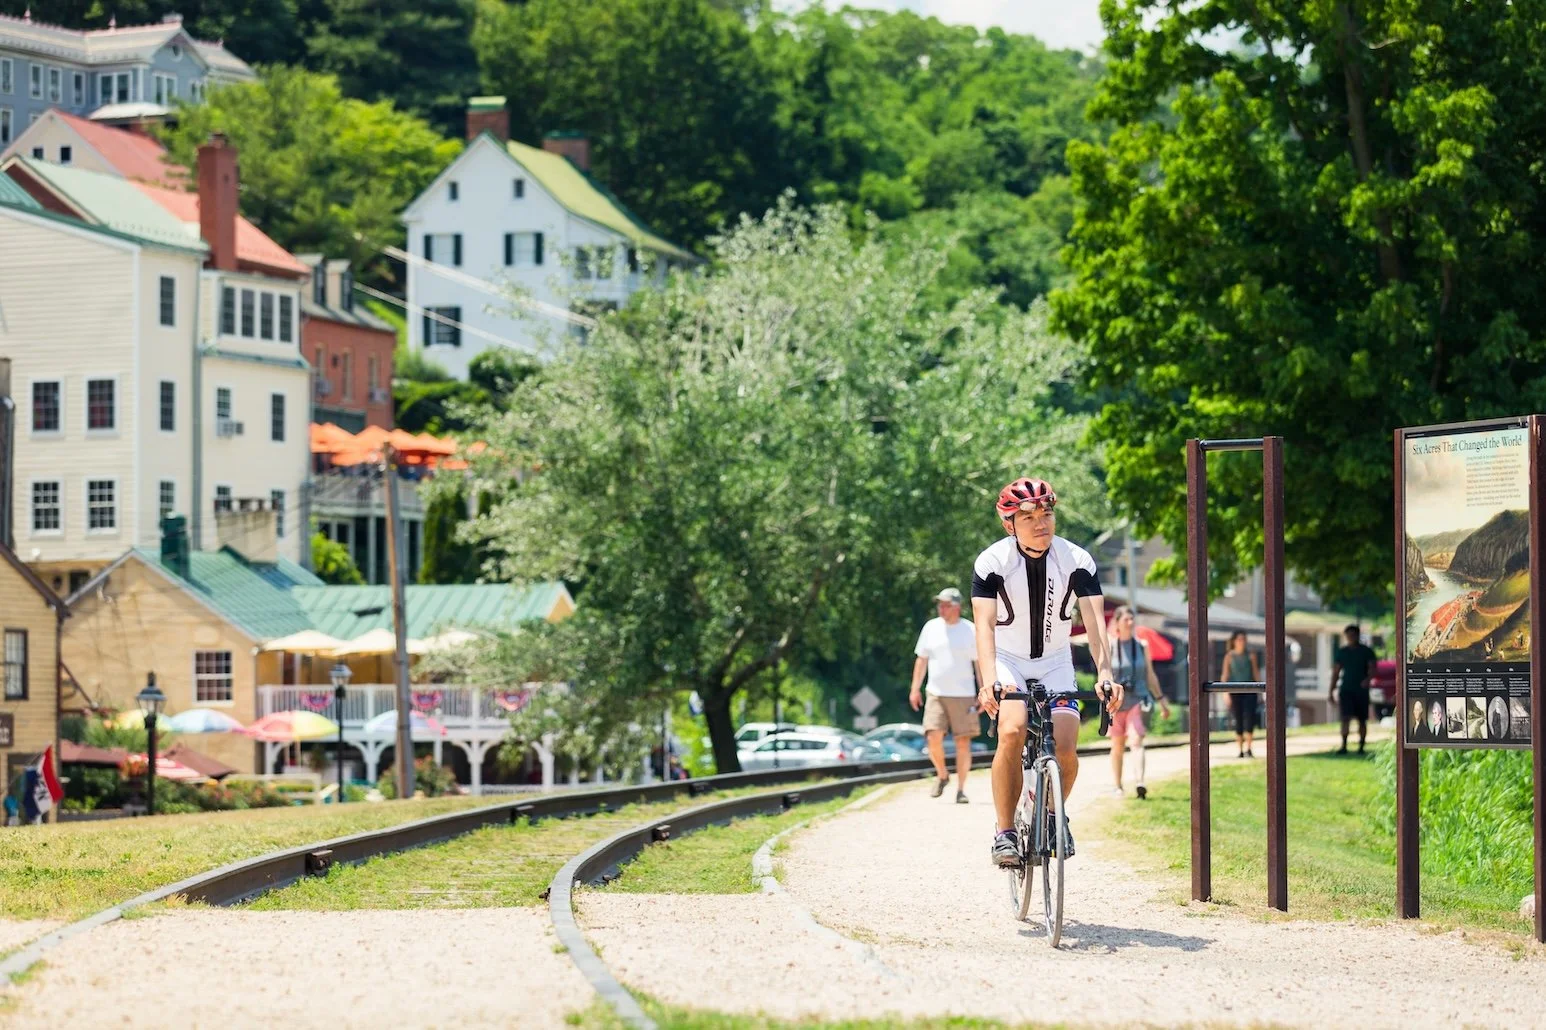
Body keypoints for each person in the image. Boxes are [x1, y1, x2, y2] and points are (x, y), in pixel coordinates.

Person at [973, 476, 1120, 867]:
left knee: (1067, 744)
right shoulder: (992, 562)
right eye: (1029, 517)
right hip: (1008, 659)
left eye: (1047, 514)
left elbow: (1095, 626)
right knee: (1012, 730)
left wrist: (1105, 674)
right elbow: (984, 627)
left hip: (1056, 661)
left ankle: (1053, 816)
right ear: (1009, 523)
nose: (1041, 524)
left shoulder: (1077, 560)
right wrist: (988, 680)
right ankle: (1005, 832)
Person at [909, 586, 980, 803]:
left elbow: (979, 664)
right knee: (932, 737)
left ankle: (961, 790)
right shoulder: (931, 627)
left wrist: (983, 690)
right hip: (936, 693)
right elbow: (921, 660)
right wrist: (915, 688)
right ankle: (942, 774)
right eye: (940, 605)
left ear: (957, 607)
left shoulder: (970, 630)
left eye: (946, 605)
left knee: (962, 742)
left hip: (964, 695)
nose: (941, 609)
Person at [1107, 606, 1171, 798]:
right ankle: (1118, 785)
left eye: (1132, 618)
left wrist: (1161, 700)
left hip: (1138, 699)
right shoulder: (1110, 646)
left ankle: (1140, 782)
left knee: (1136, 740)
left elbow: (1150, 675)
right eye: (1126, 619)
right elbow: (1104, 676)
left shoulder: (1142, 646)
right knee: (1117, 745)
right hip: (1116, 703)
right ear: (1117, 623)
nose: (1130, 622)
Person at [1329, 624, 1377, 753]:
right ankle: (1344, 745)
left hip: (1361, 690)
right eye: (1348, 635)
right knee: (1345, 718)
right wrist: (1331, 690)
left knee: (1362, 720)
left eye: (1353, 635)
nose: (1351, 637)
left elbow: (1373, 668)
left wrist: (1367, 680)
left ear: (1358, 635)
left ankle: (1361, 746)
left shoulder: (1366, 651)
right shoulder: (1343, 652)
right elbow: (1336, 672)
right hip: (1346, 689)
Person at [1223, 631, 1261, 758]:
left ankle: (1249, 748)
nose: (1241, 642)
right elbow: (1225, 675)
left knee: (1250, 718)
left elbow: (1255, 673)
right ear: (1234, 641)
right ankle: (1239, 749)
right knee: (1238, 719)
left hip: (1250, 690)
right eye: (1239, 639)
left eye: (1243, 639)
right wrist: (1225, 693)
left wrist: (1261, 690)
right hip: (1235, 691)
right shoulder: (1229, 656)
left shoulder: (1251, 655)